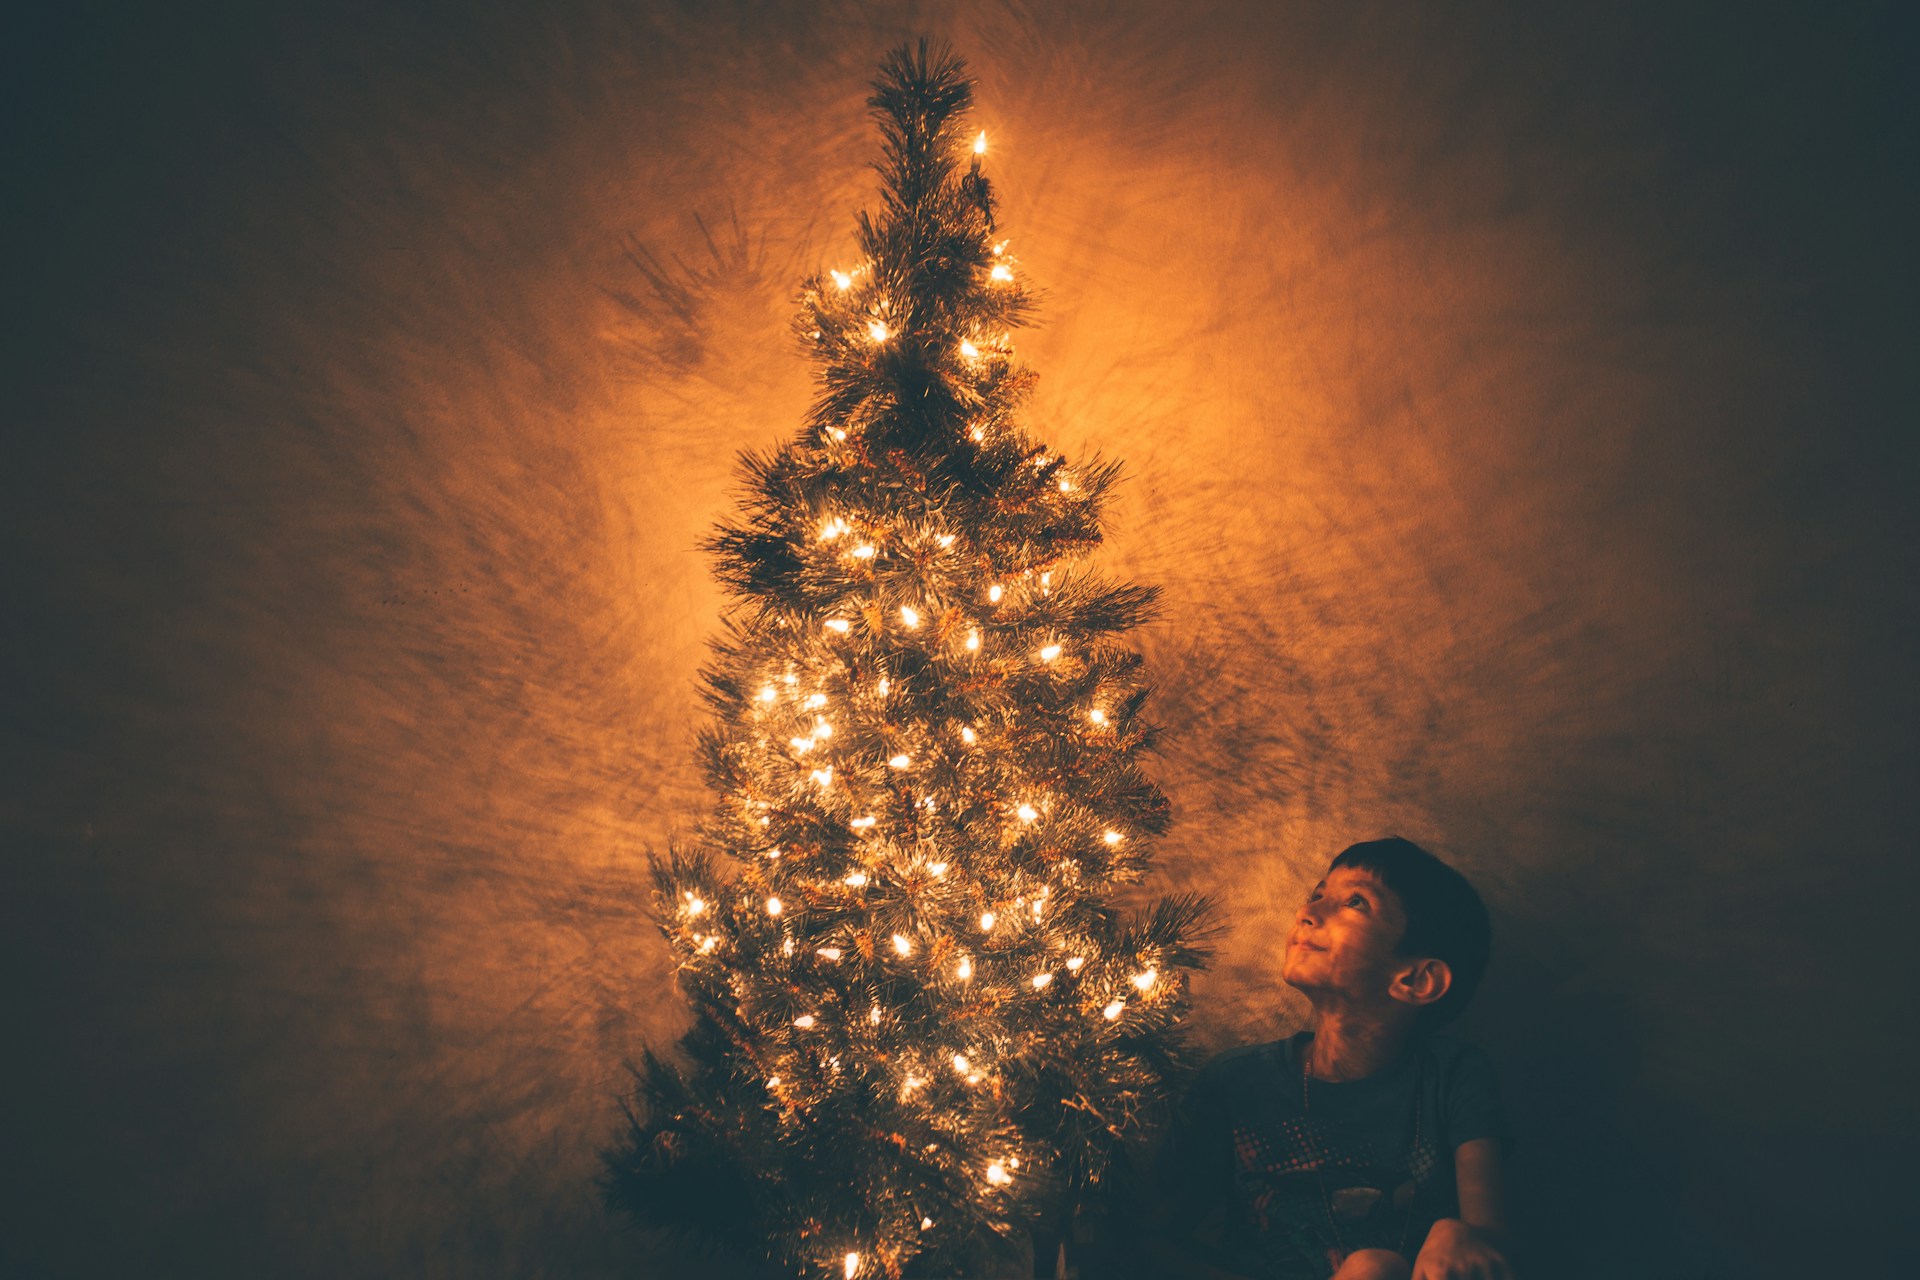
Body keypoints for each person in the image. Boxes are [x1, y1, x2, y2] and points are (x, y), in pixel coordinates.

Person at [1146, 838, 1514, 1280]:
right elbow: (1153, 1241)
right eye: (1316, 895)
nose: (1308, 912)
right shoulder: (1236, 1081)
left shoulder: (1452, 1076)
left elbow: (1490, 1241)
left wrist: (1457, 1233)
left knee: (1374, 1268)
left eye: (1355, 902)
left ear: (1416, 979)